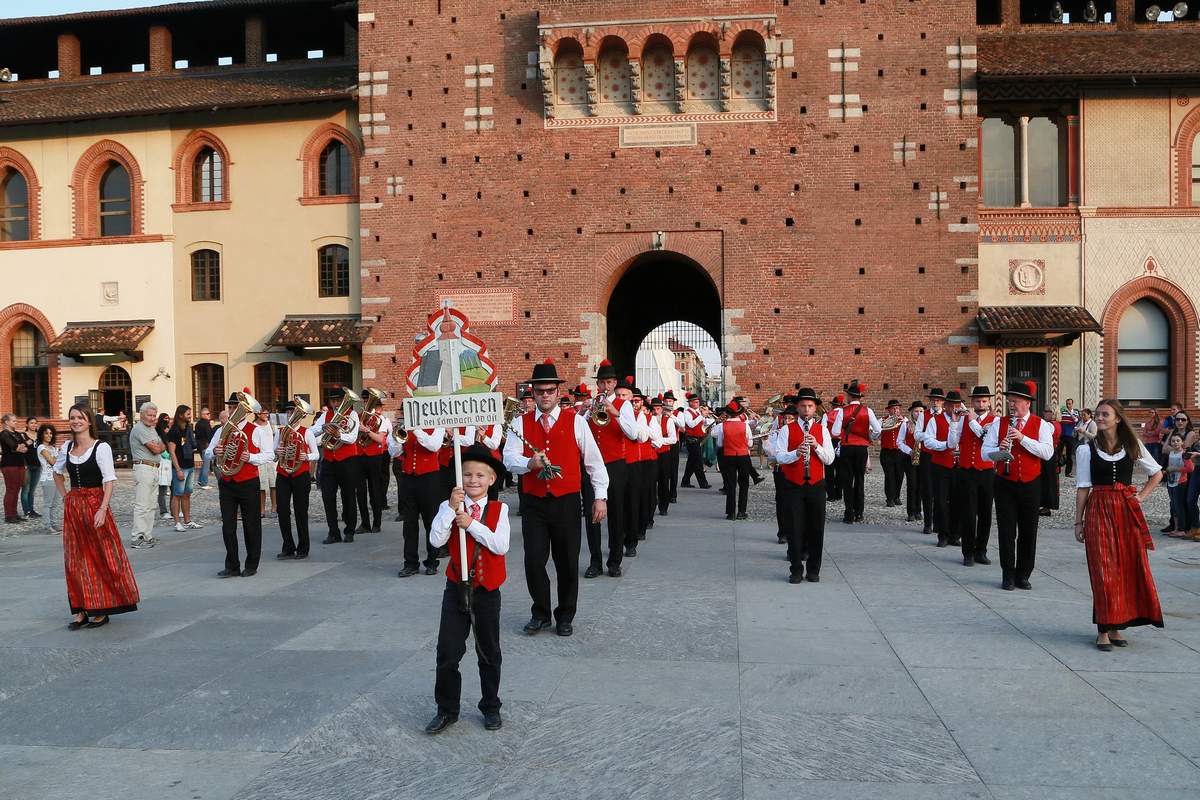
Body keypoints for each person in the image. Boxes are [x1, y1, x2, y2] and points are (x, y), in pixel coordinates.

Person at [503, 359, 608, 637]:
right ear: (533, 393)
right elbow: (508, 458)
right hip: (535, 502)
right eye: (540, 391)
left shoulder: (576, 422)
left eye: (550, 390)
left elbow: (594, 463)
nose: (545, 395)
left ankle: (565, 614)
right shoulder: (520, 422)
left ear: (558, 392)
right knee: (534, 559)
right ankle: (540, 612)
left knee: (567, 560)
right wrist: (529, 463)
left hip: (566, 501)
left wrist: (600, 497)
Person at [424, 444, 510, 735]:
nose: (473, 480)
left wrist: (472, 524)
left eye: (480, 476)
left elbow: (500, 545)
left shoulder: (500, 509)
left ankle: (491, 706)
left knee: (488, 652)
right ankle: (447, 709)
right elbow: (436, 541)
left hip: (487, 591)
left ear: (491, 480)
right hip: (456, 588)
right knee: (447, 652)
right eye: (468, 475)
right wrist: (450, 510)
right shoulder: (448, 507)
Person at [1073, 399, 1164, 651]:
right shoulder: (1086, 449)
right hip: (1098, 509)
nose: (1100, 418)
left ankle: (1116, 627)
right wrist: (1078, 522)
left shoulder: (1132, 445)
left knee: (1124, 568)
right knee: (1103, 571)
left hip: (1125, 510)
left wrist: (1141, 497)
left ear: (1117, 419)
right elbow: (1083, 487)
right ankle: (1103, 629)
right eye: (1098, 414)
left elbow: (1156, 472)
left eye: (1105, 414)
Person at [52, 404, 140, 630]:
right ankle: (80, 609)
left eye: (80, 417)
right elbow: (57, 473)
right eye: (72, 418)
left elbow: (109, 480)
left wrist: (102, 508)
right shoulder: (67, 448)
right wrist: (65, 497)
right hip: (75, 506)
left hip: (94, 505)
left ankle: (101, 608)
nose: (76, 421)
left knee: (101, 556)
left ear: (89, 421)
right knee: (75, 559)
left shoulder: (101, 447)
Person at [983, 380, 1056, 591]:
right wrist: (999, 448)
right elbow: (984, 453)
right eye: (1009, 401)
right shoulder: (999, 424)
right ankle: (1007, 574)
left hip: (1031, 484)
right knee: (1006, 532)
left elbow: (1047, 452)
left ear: (1027, 403)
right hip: (1005, 483)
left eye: (1015, 401)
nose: (1011, 405)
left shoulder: (1041, 424)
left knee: (1028, 531)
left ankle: (1023, 574)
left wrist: (1023, 439)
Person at [204, 392, 276, 577]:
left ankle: (251, 564)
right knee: (228, 526)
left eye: (236, 407)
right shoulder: (221, 430)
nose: (232, 410)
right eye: (230, 407)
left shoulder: (256, 430)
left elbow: (269, 454)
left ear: (245, 410)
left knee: (251, 525)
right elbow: (207, 454)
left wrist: (251, 457)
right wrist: (214, 451)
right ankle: (232, 565)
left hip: (248, 482)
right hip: (227, 481)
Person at [770, 390, 836, 583]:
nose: (806, 410)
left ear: (815, 408)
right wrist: (796, 454)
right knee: (794, 528)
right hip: (793, 485)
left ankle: (814, 570)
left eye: (810, 406)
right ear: (797, 408)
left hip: (816, 484)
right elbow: (779, 457)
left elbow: (830, 459)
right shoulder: (786, 430)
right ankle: (796, 570)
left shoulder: (822, 430)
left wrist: (816, 446)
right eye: (803, 406)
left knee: (816, 528)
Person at [583, 360, 637, 576]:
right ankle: (595, 562)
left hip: (615, 465)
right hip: (592, 464)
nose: (605, 386)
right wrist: (585, 413)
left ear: (614, 383)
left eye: (608, 382)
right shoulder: (593, 403)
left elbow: (633, 433)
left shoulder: (624, 406)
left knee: (616, 513)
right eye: (602, 382)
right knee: (591, 514)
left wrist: (615, 412)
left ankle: (614, 562)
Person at [949, 387, 997, 566]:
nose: (981, 404)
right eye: (977, 401)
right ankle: (967, 552)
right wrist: (954, 423)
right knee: (968, 513)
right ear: (972, 403)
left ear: (989, 402)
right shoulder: (963, 419)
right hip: (967, 470)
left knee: (985, 514)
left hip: (986, 472)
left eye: (984, 401)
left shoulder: (995, 421)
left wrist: (972, 420)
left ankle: (981, 551)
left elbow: (986, 438)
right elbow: (952, 443)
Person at [392, 421, 446, 576]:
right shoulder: (404, 427)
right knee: (409, 524)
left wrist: (416, 430)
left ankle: (432, 561)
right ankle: (410, 563)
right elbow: (393, 453)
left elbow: (434, 446)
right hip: (408, 477)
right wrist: (396, 439)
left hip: (429, 478)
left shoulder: (437, 425)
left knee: (431, 521)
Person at [310, 395, 363, 544]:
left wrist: (338, 434)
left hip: (348, 461)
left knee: (349, 496)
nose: (335, 404)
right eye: (332, 401)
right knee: (327, 496)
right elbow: (312, 431)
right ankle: (333, 532)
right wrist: (323, 428)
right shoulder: (326, 415)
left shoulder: (352, 415)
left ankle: (350, 530)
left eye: (338, 400)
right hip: (329, 460)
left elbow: (352, 438)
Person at [830, 381, 880, 524]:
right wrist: (869, 436)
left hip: (847, 448)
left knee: (847, 481)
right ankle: (859, 513)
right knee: (860, 480)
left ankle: (849, 514)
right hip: (861, 449)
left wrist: (845, 433)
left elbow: (834, 432)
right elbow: (878, 431)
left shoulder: (842, 411)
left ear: (850, 397)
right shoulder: (868, 411)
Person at [275, 401, 320, 560]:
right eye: (288, 412)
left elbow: (316, 454)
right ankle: (288, 546)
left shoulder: (306, 432)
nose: (290, 414)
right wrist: (277, 451)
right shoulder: (280, 432)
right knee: (282, 511)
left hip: (300, 474)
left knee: (301, 512)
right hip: (282, 474)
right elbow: (273, 455)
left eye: (293, 411)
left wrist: (306, 456)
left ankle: (303, 547)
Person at [921, 389, 956, 546]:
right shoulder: (935, 420)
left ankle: (955, 535)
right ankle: (943, 535)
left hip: (959, 467)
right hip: (940, 465)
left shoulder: (966, 420)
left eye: (957, 405)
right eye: (951, 405)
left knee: (957, 502)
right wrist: (945, 445)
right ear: (946, 405)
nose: (954, 408)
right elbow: (928, 441)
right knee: (941, 502)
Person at [127, 403, 165, 547]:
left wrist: (159, 446)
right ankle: (137, 537)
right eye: (149, 415)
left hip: (153, 468)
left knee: (151, 505)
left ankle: (147, 535)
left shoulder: (152, 429)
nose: (152, 418)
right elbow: (157, 448)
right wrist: (159, 446)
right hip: (143, 467)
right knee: (142, 505)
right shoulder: (139, 429)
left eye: (154, 415)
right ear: (141, 415)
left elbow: (162, 446)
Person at [356, 390, 392, 533]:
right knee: (360, 491)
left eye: (368, 401)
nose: (366, 404)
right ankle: (365, 523)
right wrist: (358, 430)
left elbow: (380, 439)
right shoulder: (357, 417)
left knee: (375, 490)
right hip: (359, 456)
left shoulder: (381, 419)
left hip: (374, 457)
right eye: (364, 401)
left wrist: (366, 431)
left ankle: (377, 523)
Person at [713, 401, 754, 520]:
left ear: (728, 414)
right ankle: (741, 511)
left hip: (728, 456)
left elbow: (720, 443)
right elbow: (750, 443)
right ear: (738, 414)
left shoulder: (722, 426)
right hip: (743, 456)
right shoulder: (745, 425)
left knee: (731, 484)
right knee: (744, 484)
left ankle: (731, 513)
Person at [166, 405, 201, 532]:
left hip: (190, 465)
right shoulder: (174, 431)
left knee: (187, 494)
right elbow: (172, 451)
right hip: (180, 467)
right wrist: (178, 469)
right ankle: (177, 522)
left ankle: (187, 521)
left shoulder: (188, 428)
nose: (190, 416)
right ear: (180, 415)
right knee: (177, 494)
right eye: (188, 414)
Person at [897, 401, 927, 524]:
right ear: (911, 412)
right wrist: (909, 451)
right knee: (912, 484)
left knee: (921, 485)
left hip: (923, 457)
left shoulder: (927, 425)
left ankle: (918, 510)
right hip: (910, 458)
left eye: (921, 411)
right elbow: (899, 442)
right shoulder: (906, 425)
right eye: (916, 411)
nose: (919, 413)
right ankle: (911, 512)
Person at [649, 397, 677, 518]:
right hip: (650, 454)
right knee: (650, 481)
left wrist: (659, 441)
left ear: (662, 409)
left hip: (664, 454)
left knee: (664, 481)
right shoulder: (646, 419)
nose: (656, 411)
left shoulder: (668, 420)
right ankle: (651, 504)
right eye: (654, 409)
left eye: (658, 409)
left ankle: (663, 506)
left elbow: (673, 439)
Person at [677, 392, 710, 489]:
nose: (697, 404)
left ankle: (685, 481)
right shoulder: (687, 412)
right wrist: (701, 415)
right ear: (690, 403)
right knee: (698, 462)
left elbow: (701, 424)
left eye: (698, 402)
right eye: (695, 402)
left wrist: (706, 419)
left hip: (698, 439)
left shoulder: (697, 412)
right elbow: (691, 424)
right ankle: (703, 483)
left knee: (691, 462)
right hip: (691, 440)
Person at [1162, 433, 1191, 538]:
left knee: (1179, 506)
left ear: (1182, 442)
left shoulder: (1184, 454)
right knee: (1173, 506)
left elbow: (1190, 468)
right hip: (1171, 482)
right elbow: (1169, 467)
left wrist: (1175, 469)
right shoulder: (1171, 453)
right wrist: (1166, 472)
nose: (1175, 443)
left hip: (1180, 482)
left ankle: (1182, 529)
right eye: (1173, 441)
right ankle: (1176, 528)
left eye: (1178, 441)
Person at [0, 413, 27, 524]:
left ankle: (14, 513)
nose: (16, 422)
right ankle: (9, 515)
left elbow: (25, 446)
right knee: (11, 489)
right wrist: (18, 447)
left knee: (17, 489)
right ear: (6, 422)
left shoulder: (16, 433)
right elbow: (15, 446)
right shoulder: (4, 434)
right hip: (9, 464)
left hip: (20, 463)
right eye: (14, 421)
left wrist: (19, 447)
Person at [36, 424, 63, 533]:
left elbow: (59, 463)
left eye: (51, 433)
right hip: (47, 478)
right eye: (46, 433)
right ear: (42, 434)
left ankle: (54, 523)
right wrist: (59, 455)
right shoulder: (41, 447)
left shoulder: (52, 448)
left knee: (55, 503)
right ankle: (48, 526)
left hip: (56, 477)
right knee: (48, 503)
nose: (49, 435)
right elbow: (53, 462)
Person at [252, 408, 278, 520]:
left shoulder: (272, 425)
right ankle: (261, 509)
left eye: (268, 412)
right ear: (258, 414)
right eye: (264, 413)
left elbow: (276, 440)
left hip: (271, 458)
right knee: (262, 486)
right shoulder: (253, 426)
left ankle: (274, 508)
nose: (266, 415)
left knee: (273, 485)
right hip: (260, 458)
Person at [878, 399, 904, 507]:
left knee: (899, 475)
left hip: (899, 452)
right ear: (889, 410)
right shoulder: (882, 420)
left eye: (897, 408)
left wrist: (903, 422)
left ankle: (896, 496)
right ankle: (889, 498)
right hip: (886, 452)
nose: (896, 410)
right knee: (889, 476)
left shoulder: (904, 420)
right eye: (893, 408)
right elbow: (875, 432)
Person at [1039, 407, 1062, 517]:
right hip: (1050, 454)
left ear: (1053, 413)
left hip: (1049, 455)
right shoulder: (1054, 424)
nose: (1044, 413)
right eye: (1045, 411)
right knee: (1047, 479)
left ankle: (1046, 506)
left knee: (1048, 480)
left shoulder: (1050, 425)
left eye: (1047, 411)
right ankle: (1044, 505)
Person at [20, 417, 41, 519]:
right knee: (26, 489)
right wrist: (23, 464)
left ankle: (31, 510)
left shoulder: (40, 436)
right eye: (31, 423)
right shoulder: (23, 436)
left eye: (35, 423)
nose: (34, 425)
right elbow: (20, 450)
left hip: (38, 465)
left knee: (32, 490)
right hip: (27, 466)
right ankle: (26, 511)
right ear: (27, 424)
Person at [194, 406, 215, 489]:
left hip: (200, 446)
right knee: (206, 465)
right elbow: (209, 435)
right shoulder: (206, 423)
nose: (209, 415)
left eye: (209, 413)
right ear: (203, 414)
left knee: (204, 464)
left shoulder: (198, 423)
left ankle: (200, 480)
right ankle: (204, 483)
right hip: (205, 445)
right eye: (207, 414)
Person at [1059, 399, 1080, 476]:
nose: (1068, 405)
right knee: (1059, 453)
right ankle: (1057, 470)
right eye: (1067, 404)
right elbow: (1059, 420)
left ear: (1072, 404)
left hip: (1070, 436)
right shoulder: (1062, 412)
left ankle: (1068, 472)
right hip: (1062, 435)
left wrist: (1069, 413)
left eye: (1070, 404)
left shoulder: (1076, 412)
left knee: (1069, 454)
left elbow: (1076, 420)